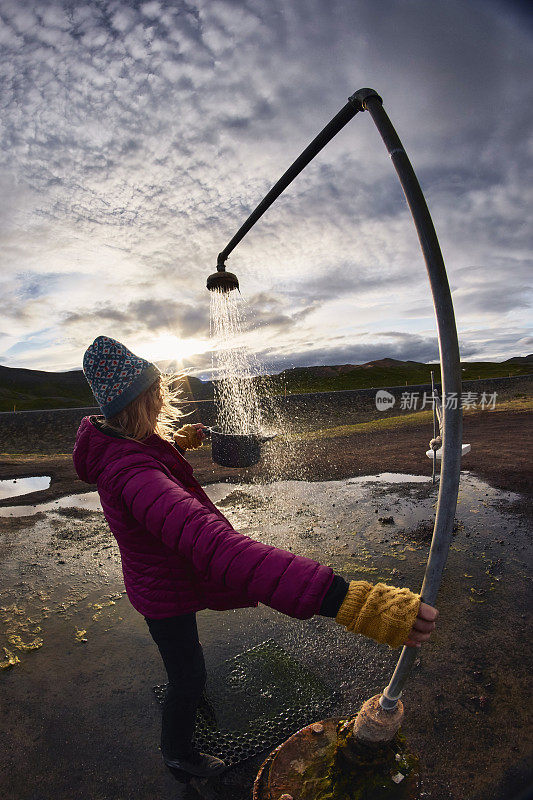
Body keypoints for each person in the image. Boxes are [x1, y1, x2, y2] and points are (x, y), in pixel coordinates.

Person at [73, 336, 438, 779]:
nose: (162, 406)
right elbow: (215, 547)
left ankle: (188, 699)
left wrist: (176, 444)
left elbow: (144, 466)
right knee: (187, 677)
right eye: (157, 397)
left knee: (187, 663)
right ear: (144, 401)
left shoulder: (116, 446)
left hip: (159, 577)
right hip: (162, 591)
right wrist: (348, 600)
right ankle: (178, 754)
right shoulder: (134, 474)